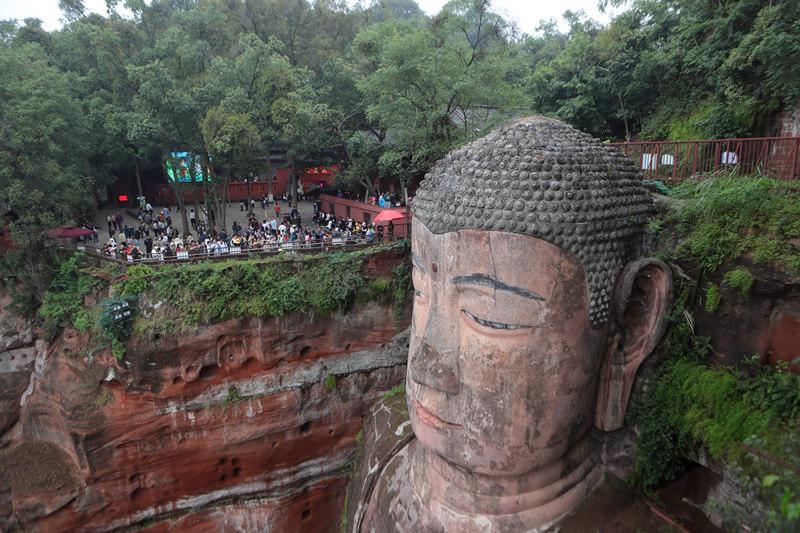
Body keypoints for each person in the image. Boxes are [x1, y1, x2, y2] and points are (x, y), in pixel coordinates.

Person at [345, 117, 672, 532]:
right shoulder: (383, 439)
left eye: (488, 317)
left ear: (631, 326)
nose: (426, 367)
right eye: (420, 291)